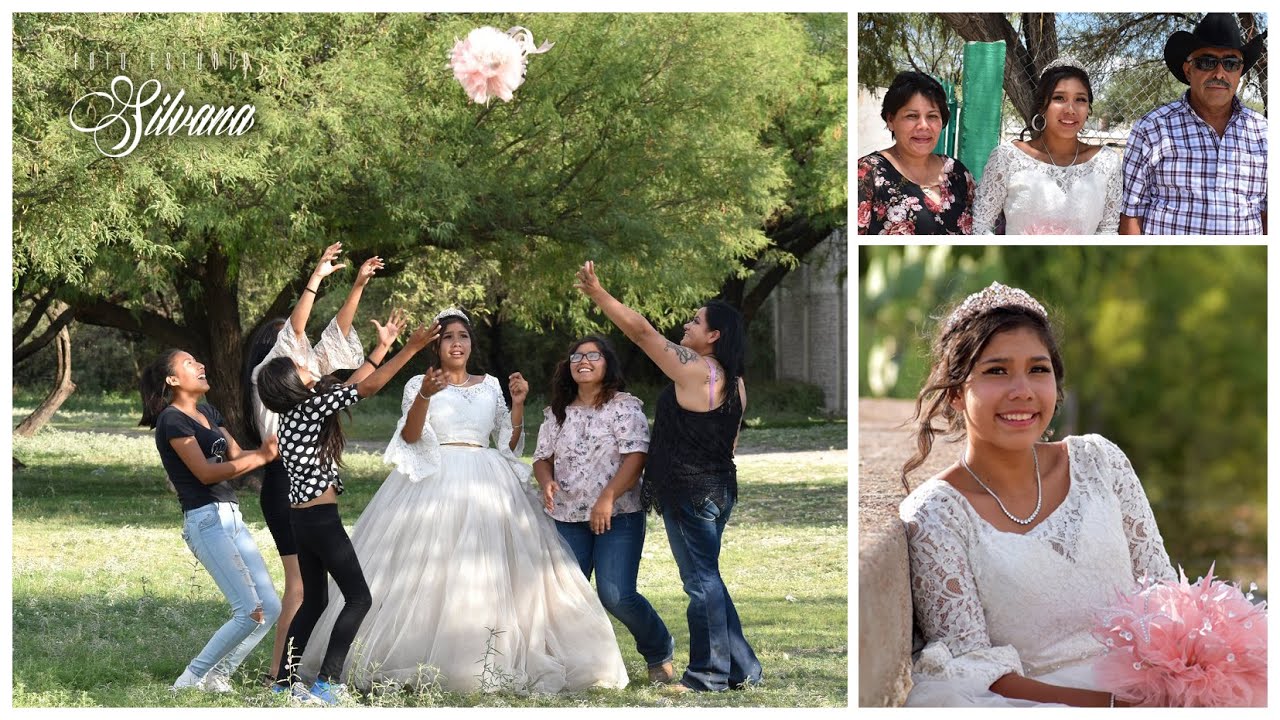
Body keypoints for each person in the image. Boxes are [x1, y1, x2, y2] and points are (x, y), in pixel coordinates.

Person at [297, 308, 629, 693]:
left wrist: (517, 404)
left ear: (472, 343)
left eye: (463, 337)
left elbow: (506, 443)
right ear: (436, 345)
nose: (457, 343)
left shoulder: (490, 385)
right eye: (448, 337)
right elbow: (410, 437)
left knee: (491, 569)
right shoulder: (419, 383)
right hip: (432, 480)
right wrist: (425, 394)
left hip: (488, 479)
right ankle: (417, 653)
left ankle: (490, 651)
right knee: (428, 568)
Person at [898, 282, 1176, 706]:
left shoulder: (1100, 461)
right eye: (996, 371)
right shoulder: (936, 514)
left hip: (1160, 689)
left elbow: (1164, 594)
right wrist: (1117, 708)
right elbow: (977, 669)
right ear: (955, 392)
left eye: (1038, 369)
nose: (1022, 390)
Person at [574, 261, 762, 694]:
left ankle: (708, 674)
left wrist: (600, 294)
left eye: (697, 321)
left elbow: (642, 333)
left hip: (690, 491)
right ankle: (743, 668)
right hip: (718, 488)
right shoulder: (735, 382)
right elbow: (728, 443)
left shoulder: (695, 369)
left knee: (700, 582)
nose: (687, 324)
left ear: (714, 336)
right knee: (708, 575)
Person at [258, 315, 435, 704]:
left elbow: (354, 384)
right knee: (359, 598)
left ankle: (285, 683)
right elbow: (366, 388)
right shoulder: (309, 409)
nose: (308, 366)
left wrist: (384, 345)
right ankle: (326, 682)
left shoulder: (293, 414)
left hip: (301, 519)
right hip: (320, 522)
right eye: (300, 366)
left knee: (316, 601)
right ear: (293, 382)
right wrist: (413, 347)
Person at [241, 241, 385, 682]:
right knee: (302, 593)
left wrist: (357, 285)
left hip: (298, 488)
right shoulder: (274, 377)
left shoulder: (303, 387)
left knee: (310, 595)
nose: (302, 341)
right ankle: (280, 676)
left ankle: (282, 679)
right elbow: (301, 333)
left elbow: (334, 341)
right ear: (279, 350)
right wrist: (315, 281)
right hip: (289, 489)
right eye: (292, 338)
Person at [532, 335, 677, 685]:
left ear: (607, 363)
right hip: (567, 517)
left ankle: (658, 649)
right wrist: (546, 480)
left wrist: (607, 499)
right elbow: (541, 458)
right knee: (568, 596)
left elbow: (636, 456)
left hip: (619, 514)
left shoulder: (624, 406)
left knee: (616, 594)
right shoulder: (557, 412)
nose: (583, 360)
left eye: (593, 355)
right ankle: (579, 667)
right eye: (576, 356)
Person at [139, 349, 282, 693]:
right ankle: (189, 681)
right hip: (205, 520)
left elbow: (235, 456)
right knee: (248, 609)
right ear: (172, 380)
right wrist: (262, 457)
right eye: (190, 363)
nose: (201, 365)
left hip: (231, 517)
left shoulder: (206, 412)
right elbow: (204, 473)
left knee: (270, 607)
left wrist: (274, 451)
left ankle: (219, 676)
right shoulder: (172, 420)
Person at [1120, 13, 1267, 234]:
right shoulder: (1152, 129)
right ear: (1189, 70)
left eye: (1230, 63)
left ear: (1240, 72)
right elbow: (1132, 214)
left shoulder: (1265, 134)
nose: (1219, 73)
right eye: (1206, 62)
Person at [971, 58, 1121, 234]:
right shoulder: (1007, 158)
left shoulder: (1107, 161)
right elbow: (980, 224)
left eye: (1080, 99)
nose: (1071, 109)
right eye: (1059, 98)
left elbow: (1109, 231)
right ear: (1042, 106)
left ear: (1088, 108)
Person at [858, 71, 976, 235]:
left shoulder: (957, 173)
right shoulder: (868, 174)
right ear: (891, 120)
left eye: (932, 116)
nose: (923, 126)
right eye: (912, 116)